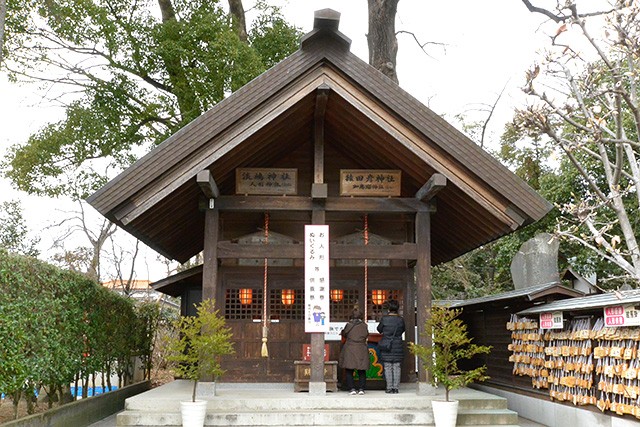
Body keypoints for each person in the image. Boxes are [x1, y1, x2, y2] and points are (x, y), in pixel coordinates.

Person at [377, 299, 405, 393]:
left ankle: (389, 387)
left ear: (389, 309)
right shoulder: (400, 320)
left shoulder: (384, 319)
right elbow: (402, 330)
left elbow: (379, 329)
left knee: (388, 366)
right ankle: (395, 388)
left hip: (387, 344)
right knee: (397, 366)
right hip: (397, 344)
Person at [339, 309, 370, 395]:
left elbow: (344, 334)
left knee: (349, 369)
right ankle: (361, 389)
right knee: (361, 370)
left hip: (350, 348)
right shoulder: (364, 326)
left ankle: (351, 388)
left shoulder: (349, 325)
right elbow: (366, 334)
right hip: (361, 348)